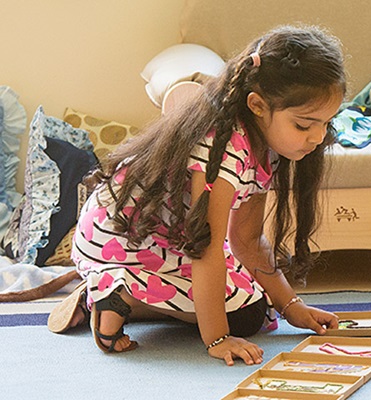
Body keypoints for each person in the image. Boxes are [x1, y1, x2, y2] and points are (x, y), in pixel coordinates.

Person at [48, 25, 346, 366]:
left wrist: (293, 307)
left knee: (254, 311)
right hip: (121, 239)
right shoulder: (221, 150)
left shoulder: (268, 146)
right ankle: (117, 290)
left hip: (167, 240)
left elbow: (246, 240)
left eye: (326, 123)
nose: (318, 137)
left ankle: (121, 296)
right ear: (258, 106)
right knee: (240, 316)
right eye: (305, 125)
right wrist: (217, 339)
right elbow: (206, 246)